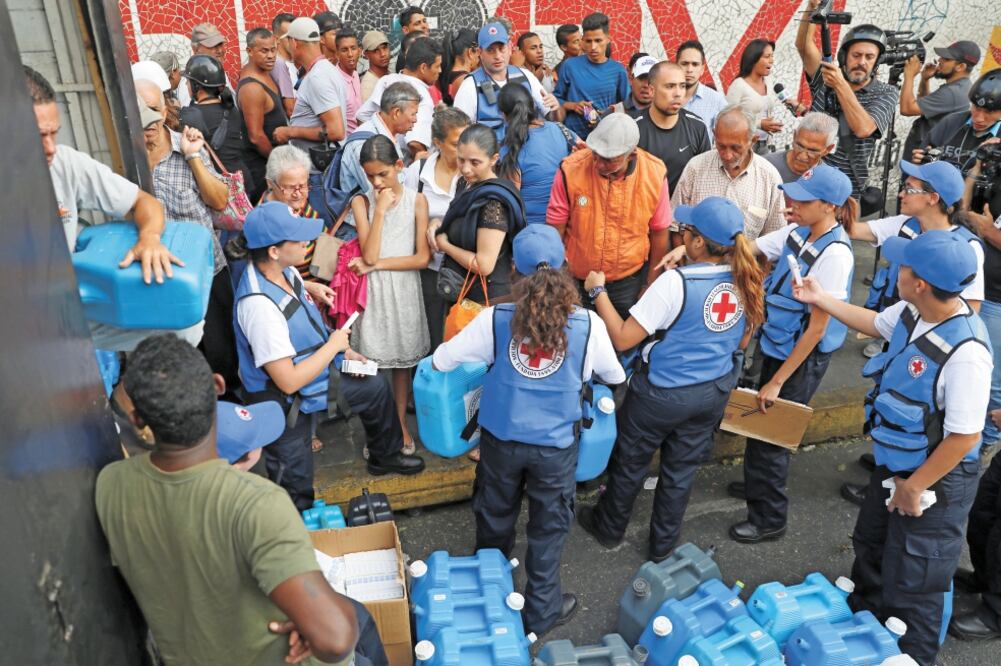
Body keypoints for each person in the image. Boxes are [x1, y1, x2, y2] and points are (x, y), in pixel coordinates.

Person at [94, 334, 360, 666]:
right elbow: (335, 639)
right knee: (359, 619)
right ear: (218, 386)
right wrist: (317, 619)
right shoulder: (258, 504)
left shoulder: (110, 485)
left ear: (138, 420)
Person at [793, 230, 990, 666]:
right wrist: (820, 297)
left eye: (902, 266)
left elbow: (964, 437)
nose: (892, 269)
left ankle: (911, 656)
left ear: (919, 282)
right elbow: (873, 322)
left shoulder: (968, 352)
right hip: (896, 463)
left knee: (915, 583)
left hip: (933, 480)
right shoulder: (913, 309)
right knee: (873, 546)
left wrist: (913, 488)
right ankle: (862, 635)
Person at [431, 224, 625, 636]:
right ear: (565, 269)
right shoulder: (587, 324)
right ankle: (540, 610)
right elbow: (613, 373)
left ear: (513, 272)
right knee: (548, 528)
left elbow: (444, 360)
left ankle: (488, 595)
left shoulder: (497, 318)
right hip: (555, 448)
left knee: (495, 516)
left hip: (501, 441)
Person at [577, 197, 764, 559]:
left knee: (631, 463)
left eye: (685, 230)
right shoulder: (747, 278)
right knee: (680, 472)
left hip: (660, 394)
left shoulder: (675, 283)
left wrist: (597, 292)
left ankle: (609, 529)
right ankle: (662, 547)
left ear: (695, 241)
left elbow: (622, 337)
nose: (680, 235)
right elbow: (743, 339)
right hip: (712, 391)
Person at [232, 202, 425, 510]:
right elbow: (287, 381)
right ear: (273, 251)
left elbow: (294, 296)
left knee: (375, 386)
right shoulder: (258, 308)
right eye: (297, 240)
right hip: (283, 403)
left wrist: (312, 292)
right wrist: (335, 346)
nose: (306, 243)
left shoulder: (284, 270)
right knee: (295, 485)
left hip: (314, 372)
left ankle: (384, 457)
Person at [722, 164, 856, 544]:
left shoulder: (835, 254)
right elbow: (752, 248)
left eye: (801, 200)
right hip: (777, 342)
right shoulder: (799, 232)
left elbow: (817, 328)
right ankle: (755, 485)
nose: (789, 204)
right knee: (758, 421)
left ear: (829, 207)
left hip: (799, 357)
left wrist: (779, 382)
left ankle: (769, 518)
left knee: (772, 434)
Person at [839, 160, 984, 505]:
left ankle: (902, 475)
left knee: (919, 410)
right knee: (893, 401)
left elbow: (970, 310)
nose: (902, 192)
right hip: (902, 331)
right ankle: (887, 460)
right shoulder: (907, 226)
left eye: (911, 188)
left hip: (929, 348)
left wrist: (921, 334)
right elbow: (858, 232)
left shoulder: (965, 247)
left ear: (934, 198)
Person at [25, 66, 196, 352]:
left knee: (186, 327)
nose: (50, 147)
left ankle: (122, 396)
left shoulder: (65, 163)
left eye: (54, 134)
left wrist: (150, 239)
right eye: (39, 136)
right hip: (22, 328)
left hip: (71, 309)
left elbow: (145, 203)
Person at [137, 80, 237, 385]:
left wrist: (194, 157)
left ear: (165, 109)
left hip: (206, 273)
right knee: (180, 363)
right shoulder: (127, 155)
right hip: (159, 278)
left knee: (222, 357)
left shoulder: (188, 144)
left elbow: (220, 201)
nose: (148, 119)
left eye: (153, 109)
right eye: (140, 110)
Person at [348, 135, 431, 453]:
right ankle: (377, 431)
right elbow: (367, 256)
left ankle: (399, 426)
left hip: (404, 290)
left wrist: (378, 264)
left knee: (401, 368)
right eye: (370, 176)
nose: (377, 181)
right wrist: (379, 212)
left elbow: (421, 258)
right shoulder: (363, 202)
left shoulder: (417, 201)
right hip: (372, 295)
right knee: (370, 367)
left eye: (383, 173)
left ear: (399, 166)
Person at [547, 113, 671, 318]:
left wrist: (650, 284)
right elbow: (555, 231)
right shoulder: (570, 170)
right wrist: (558, 280)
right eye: (595, 154)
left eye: (608, 160)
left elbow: (659, 233)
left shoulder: (654, 174)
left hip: (627, 284)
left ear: (631, 155)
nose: (598, 164)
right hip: (576, 281)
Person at [796, 1, 899, 201]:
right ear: (844, 57)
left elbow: (864, 129)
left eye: (869, 57)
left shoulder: (886, 93)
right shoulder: (824, 77)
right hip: (807, 178)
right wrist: (811, 7)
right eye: (856, 55)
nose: (862, 62)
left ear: (877, 61)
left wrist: (840, 85)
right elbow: (803, 46)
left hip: (845, 191)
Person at [431, 124, 527, 308]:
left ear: (493, 159)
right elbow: (462, 221)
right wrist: (438, 223)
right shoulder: (465, 184)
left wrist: (445, 245)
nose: (466, 169)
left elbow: (484, 265)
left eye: (475, 162)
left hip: (487, 299)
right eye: (461, 160)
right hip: (461, 290)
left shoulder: (494, 202)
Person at [405, 107, 472, 351]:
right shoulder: (418, 173)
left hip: (466, 272)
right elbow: (407, 219)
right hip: (429, 272)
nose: (464, 149)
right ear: (437, 143)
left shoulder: (474, 173)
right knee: (432, 339)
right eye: (456, 144)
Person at [671, 105, 786, 240]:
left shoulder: (769, 176)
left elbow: (774, 237)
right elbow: (675, 226)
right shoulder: (696, 168)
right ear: (714, 135)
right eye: (721, 146)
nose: (727, 155)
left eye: (735, 148)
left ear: (753, 141)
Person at [340, 82, 421, 234]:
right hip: (359, 231)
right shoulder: (363, 144)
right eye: (413, 114)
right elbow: (380, 192)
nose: (415, 119)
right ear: (396, 112)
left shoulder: (386, 136)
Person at [453, 23, 562, 134]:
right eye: (490, 50)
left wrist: (555, 108)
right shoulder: (470, 85)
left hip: (528, 148)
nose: (497, 56)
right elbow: (458, 132)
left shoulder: (525, 76)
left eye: (502, 49)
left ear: (510, 48)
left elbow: (553, 118)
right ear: (480, 52)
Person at [496, 83, 575, 225]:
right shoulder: (562, 130)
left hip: (530, 232)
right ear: (533, 105)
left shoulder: (509, 149)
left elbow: (509, 204)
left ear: (503, 115)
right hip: (566, 225)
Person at [179, 55, 256, 199]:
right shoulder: (232, 110)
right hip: (243, 182)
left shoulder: (191, 116)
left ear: (197, 86)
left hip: (218, 186)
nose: (186, 85)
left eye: (188, 81)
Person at [356, 39, 441, 159]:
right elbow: (415, 143)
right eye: (437, 66)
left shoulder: (387, 80)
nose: (440, 71)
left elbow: (362, 116)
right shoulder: (421, 95)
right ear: (423, 68)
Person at [636, 61, 711, 194]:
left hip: (681, 212)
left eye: (682, 86)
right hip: (643, 211)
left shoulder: (697, 127)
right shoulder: (633, 128)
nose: (678, 93)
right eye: (670, 86)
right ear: (652, 90)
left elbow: (704, 179)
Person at [275, 17, 346, 155]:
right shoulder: (324, 69)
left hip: (319, 170)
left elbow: (336, 131)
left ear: (294, 42)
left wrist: (291, 131)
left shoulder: (317, 77)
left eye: (288, 40)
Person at [900, 41, 980, 161]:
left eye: (946, 59)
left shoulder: (953, 92)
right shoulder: (962, 87)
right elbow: (926, 109)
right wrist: (924, 79)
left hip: (923, 157)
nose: (939, 61)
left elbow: (907, 109)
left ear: (960, 67)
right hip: (925, 154)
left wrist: (909, 75)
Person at [553, 12, 629, 139]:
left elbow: (628, 105)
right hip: (574, 140)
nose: (593, 47)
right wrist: (573, 106)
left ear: (608, 39)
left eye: (598, 41)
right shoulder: (569, 66)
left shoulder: (618, 71)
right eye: (588, 41)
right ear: (582, 40)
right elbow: (556, 99)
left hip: (606, 138)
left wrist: (609, 112)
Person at [916, 68, 1001, 172]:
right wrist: (919, 160)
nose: (978, 118)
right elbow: (921, 159)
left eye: (989, 112)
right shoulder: (952, 121)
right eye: (976, 108)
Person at [239, 28, 288, 201]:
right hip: (263, 171)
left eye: (273, 49)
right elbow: (256, 136)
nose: (270, 56)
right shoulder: (251, 87)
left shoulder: (266, 74)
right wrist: (279, 164)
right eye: (264, 51)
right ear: (250, 51)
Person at [726, 38, 782, 153]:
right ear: (753, 59)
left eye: (772, 56)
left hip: (764, 145)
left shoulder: (768, 81)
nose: (772, 61)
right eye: (767, 56)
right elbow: (728, 120)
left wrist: (771, 126)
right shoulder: (738, 85)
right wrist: (760, 124)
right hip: (743, 146)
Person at [764, 111, 838, 183]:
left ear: (828, 149)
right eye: (799, 146)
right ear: (794, 136)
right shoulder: (765, 166)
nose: (803, 156)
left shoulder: (829, 181)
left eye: (813, 151)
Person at [677, 40, 727, 143]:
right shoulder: (664, 96)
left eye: (695, 64)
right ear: (676, 65)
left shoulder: (716, 100)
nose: (689, 69)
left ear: (702, 69)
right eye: (685, 63)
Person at [177, 22, 234, 108]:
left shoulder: (215, 69)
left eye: (220, 44)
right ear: (196, 49)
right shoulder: (189, 83)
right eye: (213, 46)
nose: (220, 50)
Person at [333, 29, 363, 133]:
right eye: (344, 50)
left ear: (359, 51)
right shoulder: (334, 80)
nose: (350, 54)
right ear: (337, 54)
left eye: (353, 48)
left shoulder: (355, 74)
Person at [439, 29, 479, 104]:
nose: (479, 55)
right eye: (478, 51)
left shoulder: (443, 75)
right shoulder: (466, 81)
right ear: (470, 52)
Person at [273, 12, 300, 103]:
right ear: (276, 39)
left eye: (296, 35)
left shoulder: (296, 63)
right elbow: (290, 109)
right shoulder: (278, 64)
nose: (294, 40)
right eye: (289, 36)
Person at [619, 53, 655, 119]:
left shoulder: (669, 113)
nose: (646, 85)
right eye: (641, 78)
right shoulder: (614, 112)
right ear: (630, 77)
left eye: (651, 79)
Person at [360, 31, 391, 103]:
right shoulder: (368, 86)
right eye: (376, 51)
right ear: (366, 54)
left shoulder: (390, 76)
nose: (383, 54)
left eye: (384, 48)